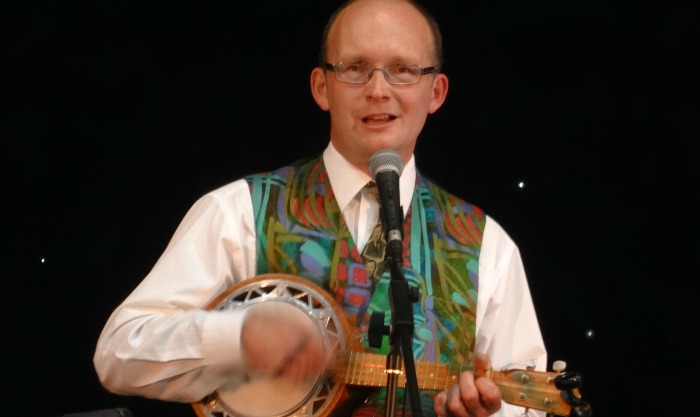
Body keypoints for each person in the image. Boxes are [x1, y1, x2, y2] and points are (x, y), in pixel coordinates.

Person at [93, 1, 548, 417]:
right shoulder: (240, 212)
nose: (378, 90)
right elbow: (118, 354)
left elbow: (529, 405)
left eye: (403, 70)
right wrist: (239, 338)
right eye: (355, 68)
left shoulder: (486, 244)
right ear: (321, 86)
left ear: (436, 92)